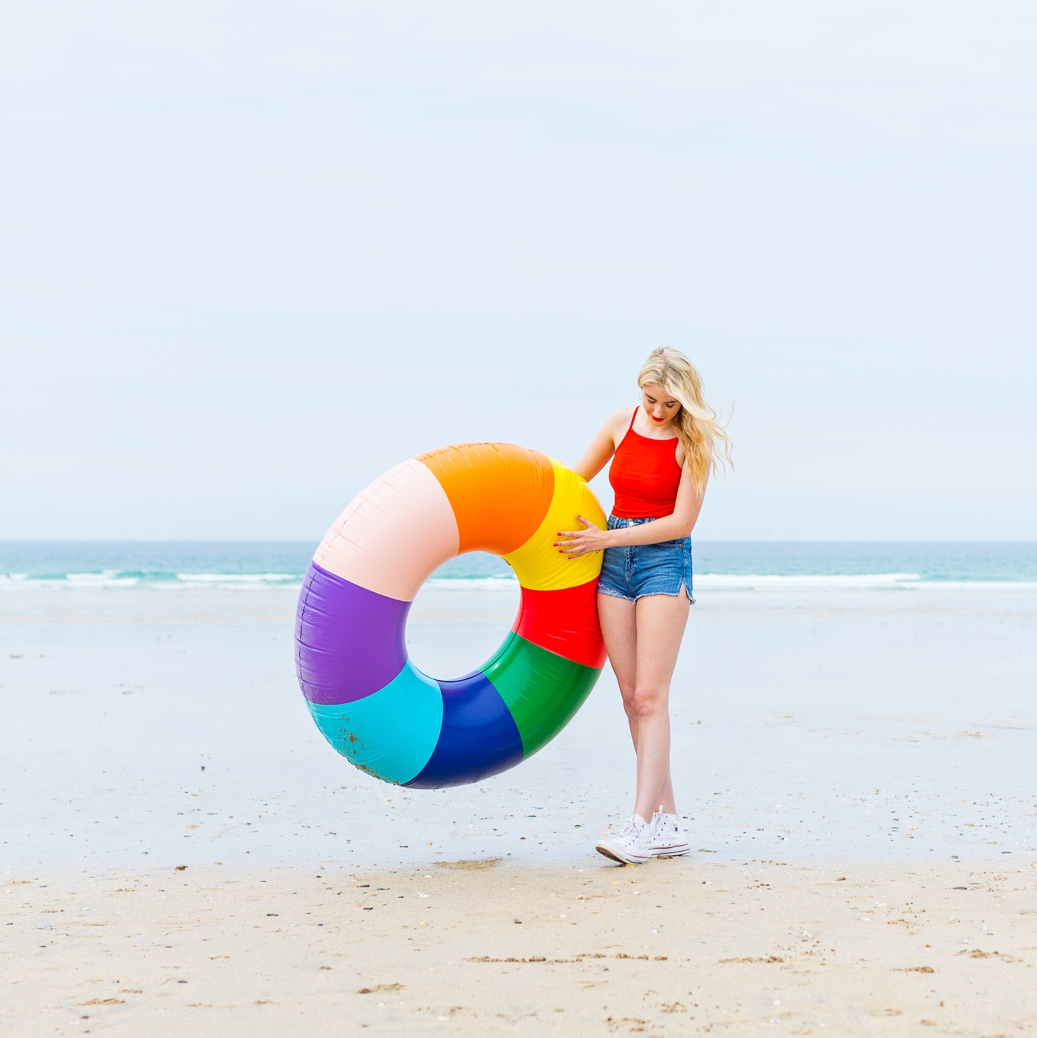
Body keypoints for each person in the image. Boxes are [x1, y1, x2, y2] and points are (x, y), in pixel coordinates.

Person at [556, 347, 731, 865]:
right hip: (612, 566)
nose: (656, 412)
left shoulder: (691, 444)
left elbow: (682, 524)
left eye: (668, 404)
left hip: (661, 565)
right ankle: (668, 822)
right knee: (632, 697)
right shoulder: (620, 423)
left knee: (652, 697)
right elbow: (572, 480)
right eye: (649, 400)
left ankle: (638, 826)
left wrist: (604, 541)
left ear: (685, 401)